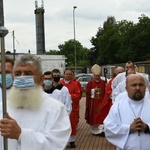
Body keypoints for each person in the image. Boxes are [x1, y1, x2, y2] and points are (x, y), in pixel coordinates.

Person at [0, 54, 71, 150]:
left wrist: (21, 134)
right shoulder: (3, 107)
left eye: (28, 73)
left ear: (41, 79)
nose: (22, 77)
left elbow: (56, 145)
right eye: (17, 74)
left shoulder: (55, 109)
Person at [104, 74, 150, 150]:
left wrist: (147, 127)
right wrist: (129, 129)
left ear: (145, 87)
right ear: (126, 88)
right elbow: (108, 128)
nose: (138, 88)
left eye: (141, 85)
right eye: (134, 85)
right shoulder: (117, 107)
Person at [60, 69, 81, 148]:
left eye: (70, 74)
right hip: (62, 107)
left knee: (72, 123)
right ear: (64, 74)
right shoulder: (60, 84)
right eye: (66, 74)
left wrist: (69, 96)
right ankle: (63, 142)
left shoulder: (74, 84)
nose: (68, 75)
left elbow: (78, 95)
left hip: (71, 107)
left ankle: (72, 141)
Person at [85, 64, 106, 136]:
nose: (97, 77)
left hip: (101, 102)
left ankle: (101, 130)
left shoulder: (103, 82)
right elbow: (87, 92)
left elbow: (106, 91)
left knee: (101, 116)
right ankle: (94, 131)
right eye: (95, 76)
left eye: (98, 75)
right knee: (93, 117)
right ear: (93, 75)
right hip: (93, 103)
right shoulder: (90, 82)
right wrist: (94, 90)